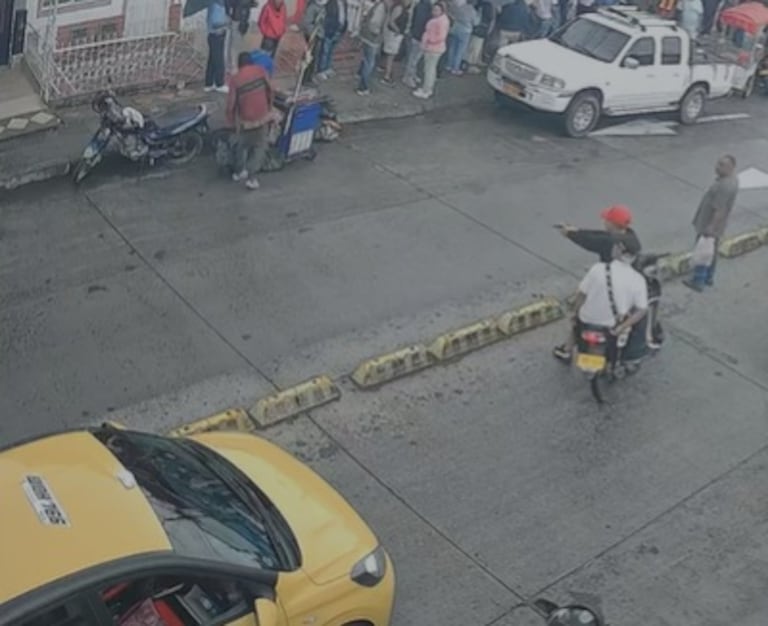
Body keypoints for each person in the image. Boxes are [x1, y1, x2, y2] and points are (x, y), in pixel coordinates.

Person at [553, 233, 648, 362]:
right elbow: (642, 310)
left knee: (577, 324)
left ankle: (566, 350)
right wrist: (622, 327)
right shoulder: (638, 280)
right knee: (624, 335)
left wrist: (574, 313)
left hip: (587, 320)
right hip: (611, 326)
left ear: (618, 249)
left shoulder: (598, 269)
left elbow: (581, 295)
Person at [684, 154, 739, 291]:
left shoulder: (725, 186)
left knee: (703, 251)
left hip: (710, 225)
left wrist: (710, 228)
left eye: (721, 165)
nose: (717, 167)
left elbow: (719, 210)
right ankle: (708, 277)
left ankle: (698, 281)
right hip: (715, 225)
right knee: (711, 251)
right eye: (718, 163)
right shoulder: (729, 180)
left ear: (731, 167)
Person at [226, 51, 275, 190]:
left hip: (245, 120)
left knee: (242, 146)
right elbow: (270, 90)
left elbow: (231, 104)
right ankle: (252, 178)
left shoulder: (235, 79)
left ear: (239, 64)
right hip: (262, 117)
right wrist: (269, 108)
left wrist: (230, 121)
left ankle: (239, 171)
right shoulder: (261, 71)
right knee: (259, 148)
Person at [557, 204, 642, 264]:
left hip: (615, 283)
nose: (603, 221)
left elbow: (589, 241)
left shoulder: (609, 242)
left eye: (606, 219)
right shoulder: (630, 236)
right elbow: (601, 235)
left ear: (612, 223)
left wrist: (569, 234)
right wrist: (576, 230)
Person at [413, 2, 450, 98]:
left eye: (437, 10)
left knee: (429, 70)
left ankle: (426, 90)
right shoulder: (442, 20)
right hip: (435, 48)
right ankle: (427, 88)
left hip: (433, 48)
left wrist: (429, 40)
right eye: (433, 10)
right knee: (430, 69)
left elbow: (441, 36)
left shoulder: (440, 21)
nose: (434, 12)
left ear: (442, 11)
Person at [356, 0, 392, 95]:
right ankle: (363, 87)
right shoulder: (382, 7)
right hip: (372, 39)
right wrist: (377, 34)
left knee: (366, 59)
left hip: (367, 36)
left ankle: (360, 73)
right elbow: (374, 23)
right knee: (370, 62)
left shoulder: (379, 5)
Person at [403, 0, 434, 88]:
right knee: (413, 58)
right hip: (419, 36)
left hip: (418, 35)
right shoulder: (425, 6)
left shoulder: (421, 5)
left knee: (414, 58)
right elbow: (420, 21)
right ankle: (408, 77)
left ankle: (412, 74)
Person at [316, 0, 349, 80]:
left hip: (339, 29)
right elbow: (328, 17)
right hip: (330, 30)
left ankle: (327, 67)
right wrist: (328, 29)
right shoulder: (331, 2)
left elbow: (345, 15)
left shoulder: (344, 3)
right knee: (325, 51)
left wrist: (344, 27)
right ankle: (321, 70)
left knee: (331, 50)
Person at [381, 0, 412, 84]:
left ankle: (387, 71)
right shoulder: (399, 7)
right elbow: (391, 21)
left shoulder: (403, 7)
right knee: (391, 55)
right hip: (394, 34)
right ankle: (386, 76)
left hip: (396, 34)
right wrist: (397, 30)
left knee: (391, 54)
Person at [445, 0, 479, 74]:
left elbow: (453, 16)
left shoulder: (460, 7)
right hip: (465, 31)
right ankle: (455, 68)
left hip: (455, 28)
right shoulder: (472, 11)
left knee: (452, 48)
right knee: (460, 50)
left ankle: (449, 65)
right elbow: (476, 22)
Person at [300, 0, 328, 84]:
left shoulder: (322, 7)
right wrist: (314, 34)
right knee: (309, 58)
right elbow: (306, 23)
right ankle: (304, 79)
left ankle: (309, 77)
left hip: (318, 35)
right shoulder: (312, 8)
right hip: (312, 36)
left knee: (314, 58)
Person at [205, 0, 230, 93]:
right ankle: (220, 84)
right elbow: (215, 23)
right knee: (219, 60)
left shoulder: (219, 5)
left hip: (218, 35)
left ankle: (209, 83)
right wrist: (226, 22)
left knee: (212, 60)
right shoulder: (215, 6)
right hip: (215, 36)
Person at [226, 0, 255, 73]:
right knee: (235, 46)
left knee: (235, 45)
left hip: (240, 19)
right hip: (239, 19)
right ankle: (233, 67)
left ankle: (232, 67)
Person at [465, 0, 494, 72]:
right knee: (476, 48)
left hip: (475, 28)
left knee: (473, 46)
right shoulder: (489, 6)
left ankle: (476, 61)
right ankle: (471, 65)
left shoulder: (478, 4)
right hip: (483, 29)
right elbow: (491, 18)